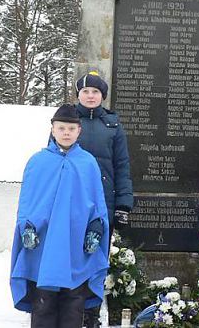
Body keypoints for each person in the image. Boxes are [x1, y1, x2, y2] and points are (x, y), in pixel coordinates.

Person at [10, 104, 110, 328]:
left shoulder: (88, 163)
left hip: (76, 248)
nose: (66, 132)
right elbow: (27, 201)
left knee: (73, 305)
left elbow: (97, 202)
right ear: (53, 129)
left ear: (79, 131)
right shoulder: (37, 162)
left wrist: (96, 227)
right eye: (61, 127)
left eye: (71, 128)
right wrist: (26, 226)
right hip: (43, 248)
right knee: (43, 304)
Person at [75, 71, 134, 328]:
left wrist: (123, 205)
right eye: (86, 91)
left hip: (103, 204)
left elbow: (122, 166)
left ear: (102, 96)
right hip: (73, 202)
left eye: (95, 92)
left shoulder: (113, 125)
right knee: (72, 258)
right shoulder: (66, 120)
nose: (90, 96)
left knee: (96, 260)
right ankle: (70, 313)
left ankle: (91, 315)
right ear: (78, 95)